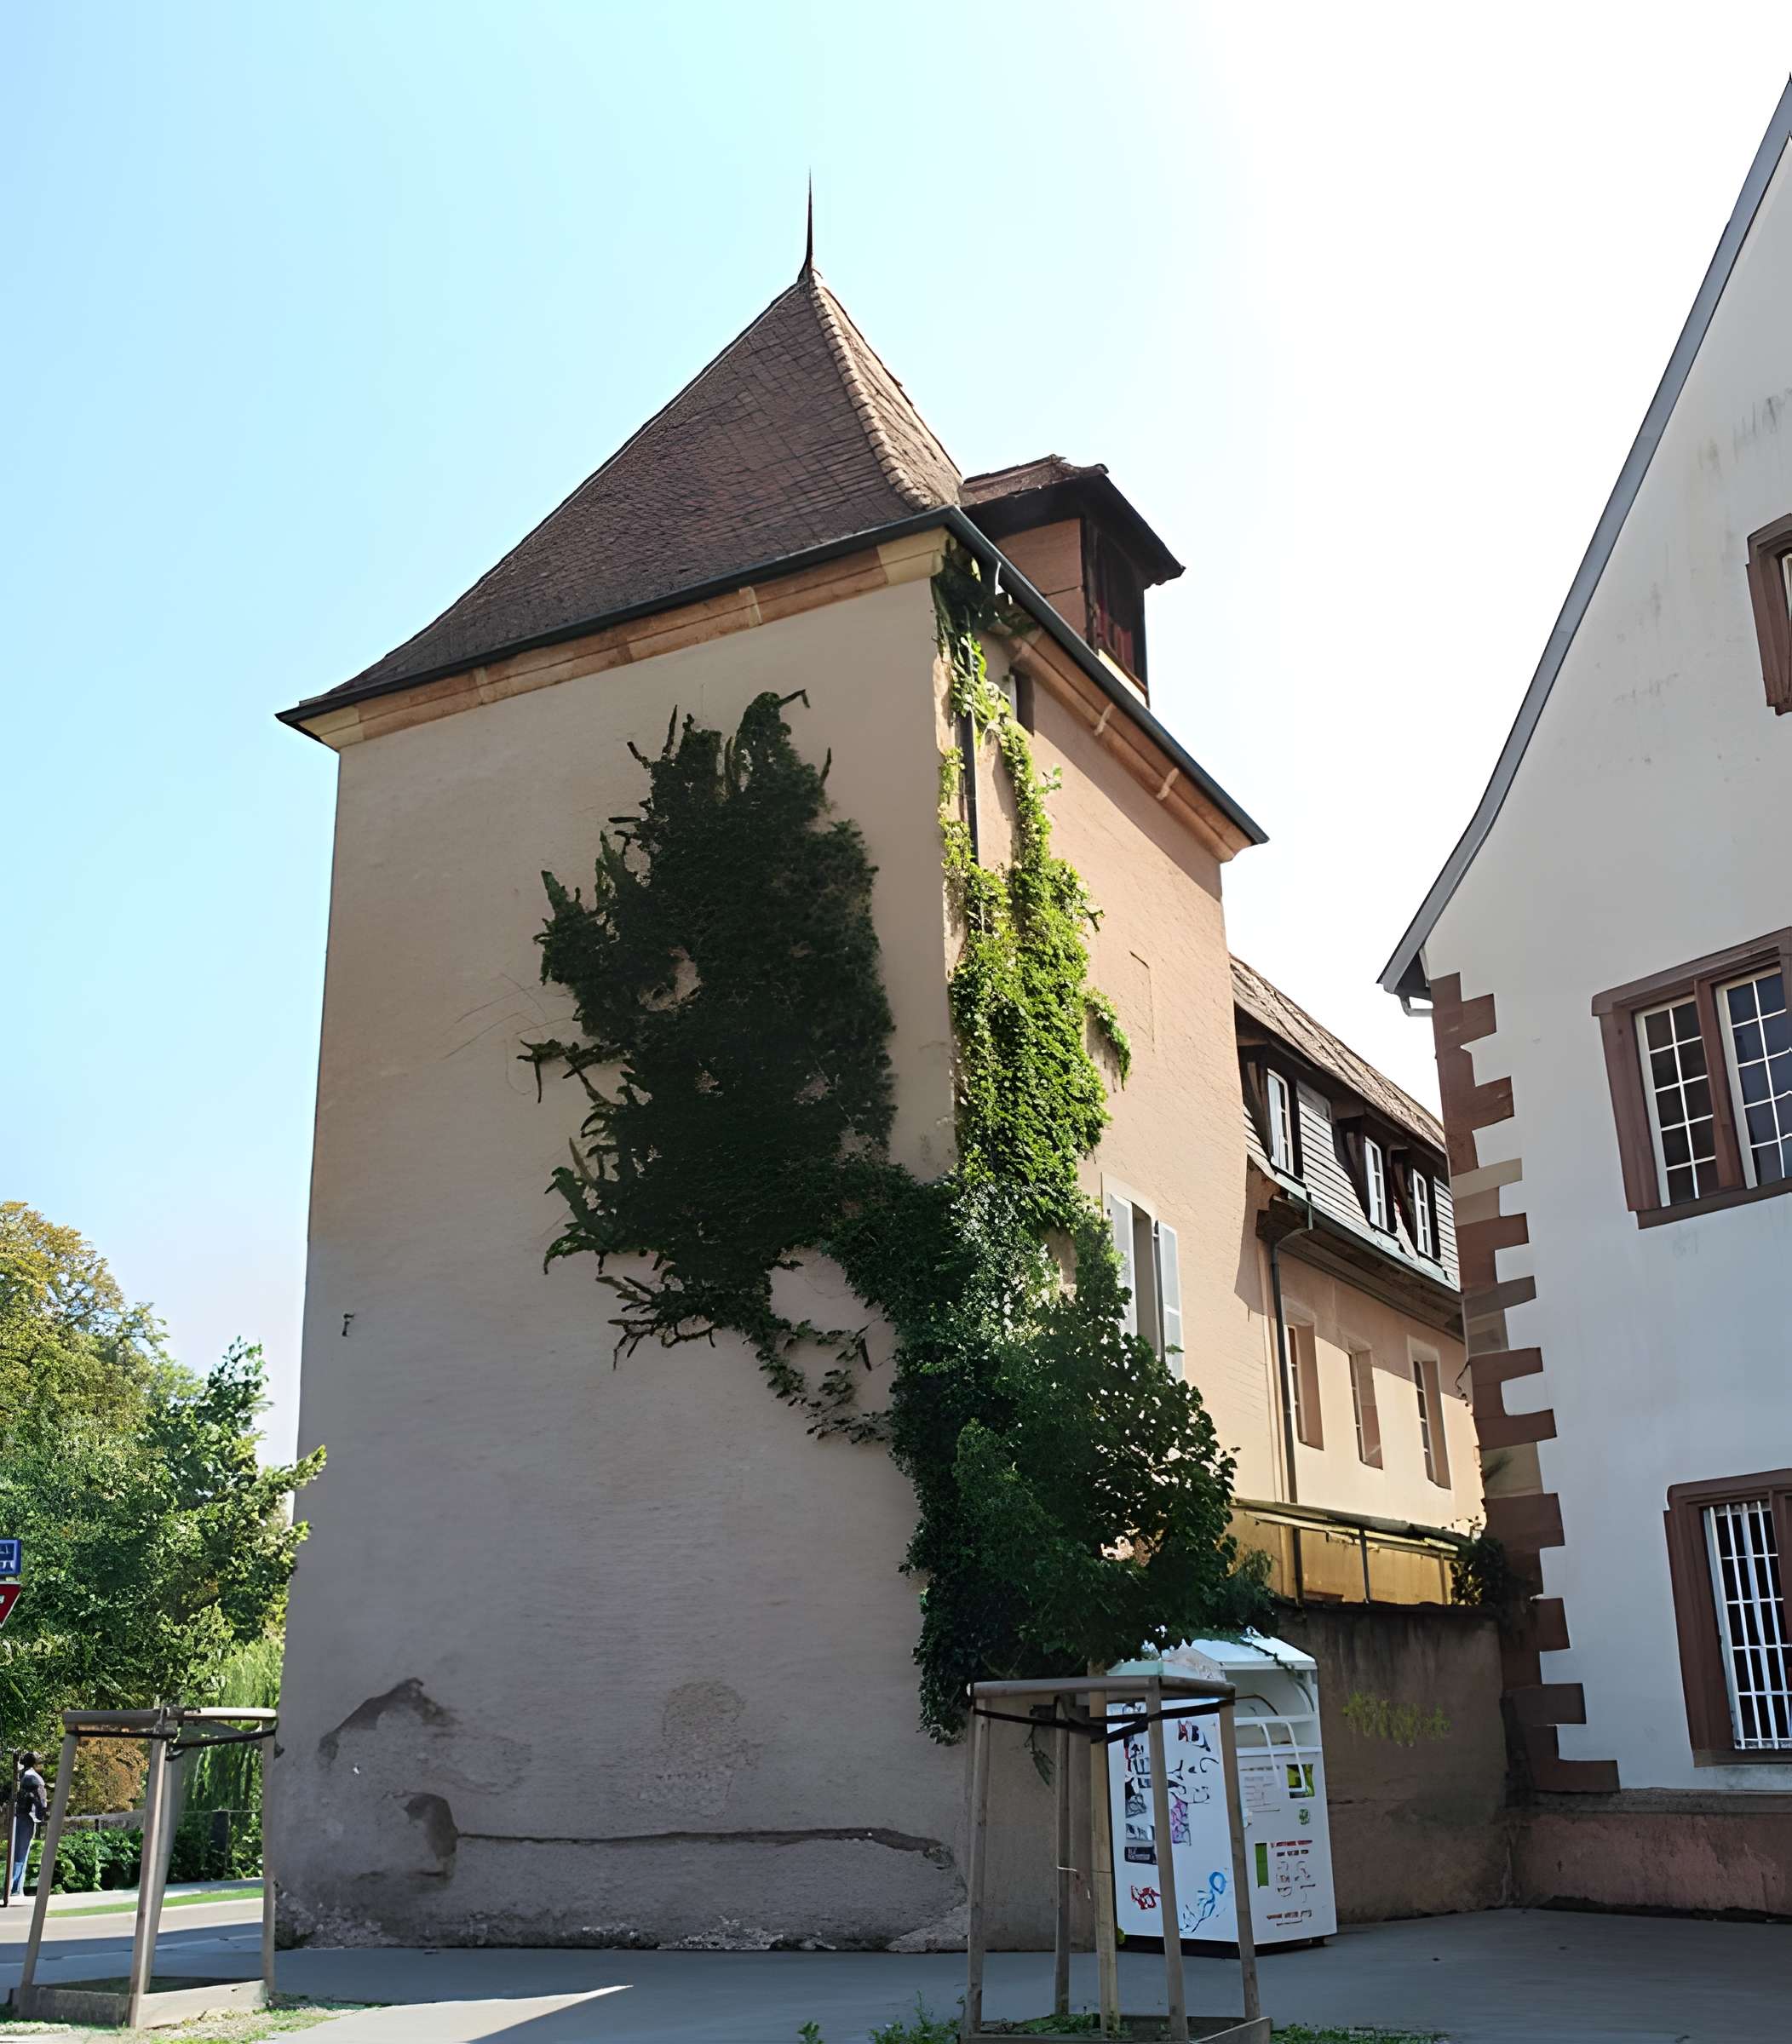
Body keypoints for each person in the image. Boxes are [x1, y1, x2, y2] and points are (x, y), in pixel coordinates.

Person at [10, 1754, 46, 1897]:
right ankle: (14, 1888)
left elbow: (40, 1802)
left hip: (23, 1817)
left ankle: (14, 1887)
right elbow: (42, 1802)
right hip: (24, 1818)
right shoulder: (33, 1777)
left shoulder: (27, 1777)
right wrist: (40, 1817)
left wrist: (38, 1816)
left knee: (19, 1851)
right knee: (20, 1852)